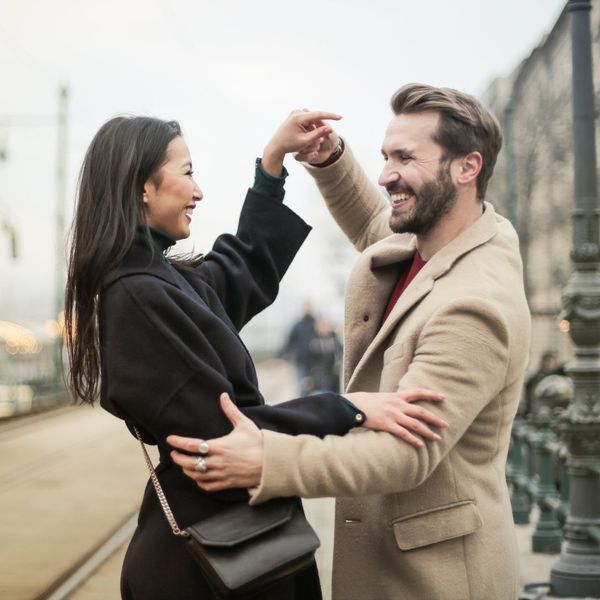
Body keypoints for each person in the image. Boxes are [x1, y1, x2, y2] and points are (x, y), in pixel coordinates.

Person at [64, 112, 449, 600]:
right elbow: (227, 435)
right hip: (213, 562)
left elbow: (240, 267)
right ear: (143, 187)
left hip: (232, 543)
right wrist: (350, 407)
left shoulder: (159, 279)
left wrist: (271, 167)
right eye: (186, 173)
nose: (198, 191)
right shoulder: (138, 294)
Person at [169, 84, 532, 600]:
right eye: (386, 156)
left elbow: (405, 453)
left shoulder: (474, 303)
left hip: (438, 580)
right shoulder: (440, 235)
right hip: (396, 565)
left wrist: (267, 461)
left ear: (467, 168)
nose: (386, 175)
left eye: (406, 157)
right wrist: (330, 158)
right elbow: (374, 224)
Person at [280, 301, 316, 395]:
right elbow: (290, 341)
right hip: (300, 360)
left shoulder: (316, 324)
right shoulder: (298, 325)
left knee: (314, 386)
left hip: (314, 361)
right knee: (303, 386)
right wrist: (283, 354)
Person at [304, 315, 342, 394]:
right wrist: (308, 376)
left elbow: (339, 354)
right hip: (317, 379)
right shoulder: (313, 342)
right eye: (322, 325)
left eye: (326, 325)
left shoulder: (334, 340)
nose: (324, 327)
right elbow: (308, 361)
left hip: (332, 378)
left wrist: (339, 363)